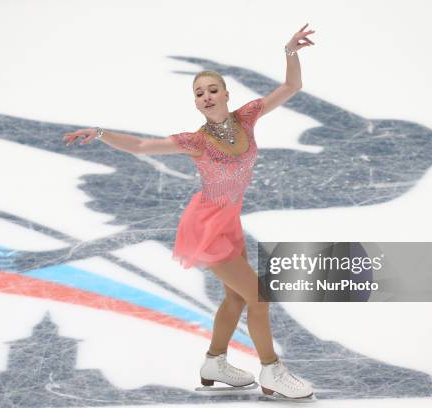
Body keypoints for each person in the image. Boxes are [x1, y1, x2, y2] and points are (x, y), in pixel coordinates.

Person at [63, 24, 316, 400]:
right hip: (207, 227)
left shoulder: (247, 118)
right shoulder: (197, 141)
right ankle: (271, 371)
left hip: (230, 220)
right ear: (196, 103)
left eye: (213, 89)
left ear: (226, 94)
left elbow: (290, 88)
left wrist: (290, 51)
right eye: (199, 93)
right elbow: (141, 145)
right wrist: (101, 132)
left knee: (236, 298)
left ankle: (214, 362)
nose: (207, 96)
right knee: (259, 298)